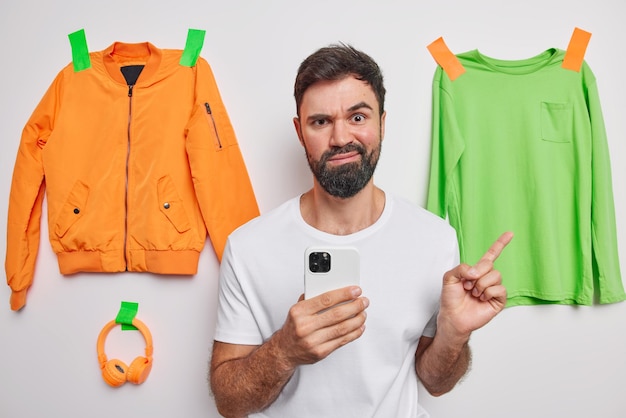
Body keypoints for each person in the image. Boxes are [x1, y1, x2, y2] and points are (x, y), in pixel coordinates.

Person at [209, 43, 513, 418]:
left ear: (382, 123)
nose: (340, 139)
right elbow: (229, 402)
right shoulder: (248, 248)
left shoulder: (434, 239)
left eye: (357, 117)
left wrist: (454, 334)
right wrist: (284, 350)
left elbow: (436, 383)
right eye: (320, 121)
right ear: (300, 132)